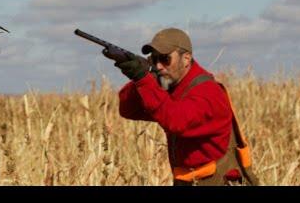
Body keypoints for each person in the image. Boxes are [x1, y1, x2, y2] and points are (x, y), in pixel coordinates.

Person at [108, 28, 258, 186]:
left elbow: (176, 121)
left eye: (165, 59)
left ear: (186, 58)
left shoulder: (208, 92)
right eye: (154, 59)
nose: (159, 66)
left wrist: (143, 79)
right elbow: (128, 109)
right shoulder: (174, 87)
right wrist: (141, 77)